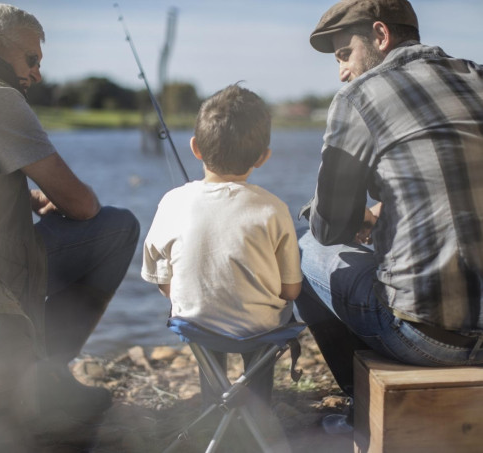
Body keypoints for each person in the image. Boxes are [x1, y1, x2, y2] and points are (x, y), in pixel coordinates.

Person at [0, 2, 139, 425]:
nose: (37, 74)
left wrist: (22, 197)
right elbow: (81, 204)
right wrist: (57, 198)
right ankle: (45, 378)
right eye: (31, 59)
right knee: (117, 226)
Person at [296, 0, 483, 405]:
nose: (342, 71)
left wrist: (349, 214)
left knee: (304, 247)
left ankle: (357, 403)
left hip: (430, 339)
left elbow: (331, 228)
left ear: (380, 36)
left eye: (344, 54)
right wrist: (389, 208)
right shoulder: (476, 76)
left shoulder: (358, 97)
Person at [141, 84, 302, 407]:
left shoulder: (172, 202)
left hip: (196, 325)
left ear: (195, 148)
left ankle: (215, 404)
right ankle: (258, 410)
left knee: (201, 314)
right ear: (263, 157)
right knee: (265, 319)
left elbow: (160, 279)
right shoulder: (273, 209)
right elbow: (291, 292)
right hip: (258, 331)